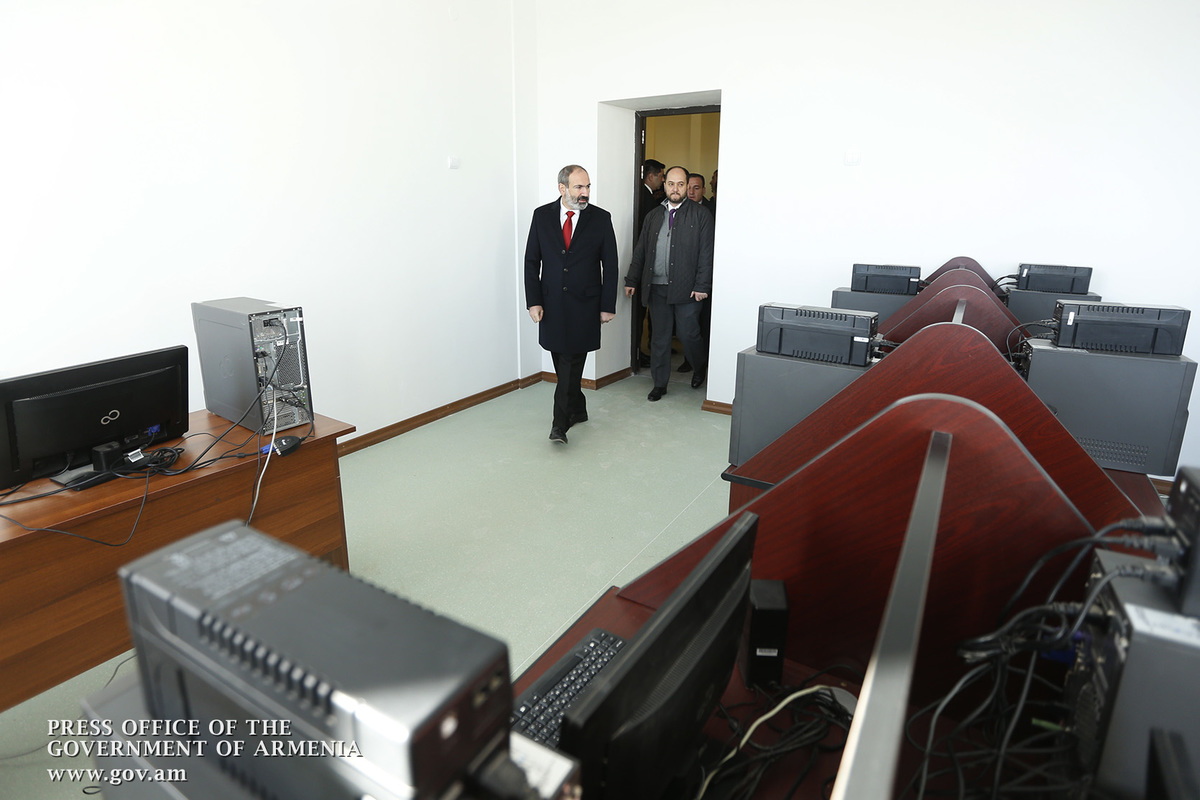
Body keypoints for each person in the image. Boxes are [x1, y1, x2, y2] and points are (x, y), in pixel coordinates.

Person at [525, 165, 619, 445]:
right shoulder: (541, 216)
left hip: (585, 306)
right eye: (579, 187)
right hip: (551, 304)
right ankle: (578, 409)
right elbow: (531, 262)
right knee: (562, 362)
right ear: (562, 188)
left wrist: (607, 305)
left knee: (569, 364)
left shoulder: (601, 219)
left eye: (587, 186)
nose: (585, 192)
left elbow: (610, 265)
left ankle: (559, 425)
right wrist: (534, 301)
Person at [624, 165, 714, 401]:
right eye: (671, 184)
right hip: (657, 288)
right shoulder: (653, 216)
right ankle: (659, 383)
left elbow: (706, 253)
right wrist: (632, 278)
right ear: (664, 185)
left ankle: (700, 367)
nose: (675, 189)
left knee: (688, 334)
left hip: (688, 289)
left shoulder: (701, 215)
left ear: (686, 186)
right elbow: (641, 250)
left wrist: (702, 286)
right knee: (660, 338)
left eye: (680, 184)